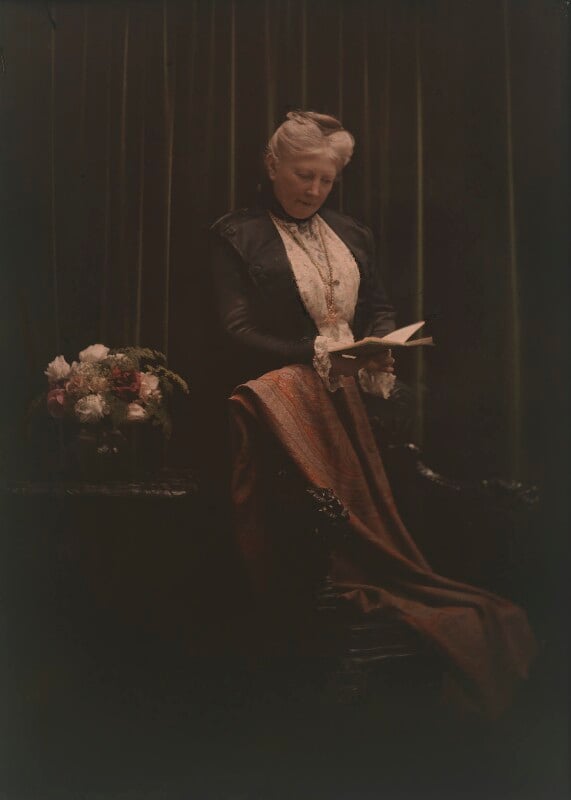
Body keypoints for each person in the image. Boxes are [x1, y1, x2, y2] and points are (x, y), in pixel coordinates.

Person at [210, 111, 536, 719]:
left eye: (326, 180)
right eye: (303, 175)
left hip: (359, 384)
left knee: (436, 417)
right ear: (273, 165)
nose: (313, 190)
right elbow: (236, 330)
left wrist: (382, 343)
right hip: (289, 388)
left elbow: (379, 304)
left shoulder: (351, 233)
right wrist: (315, 354)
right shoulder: (237, 234)